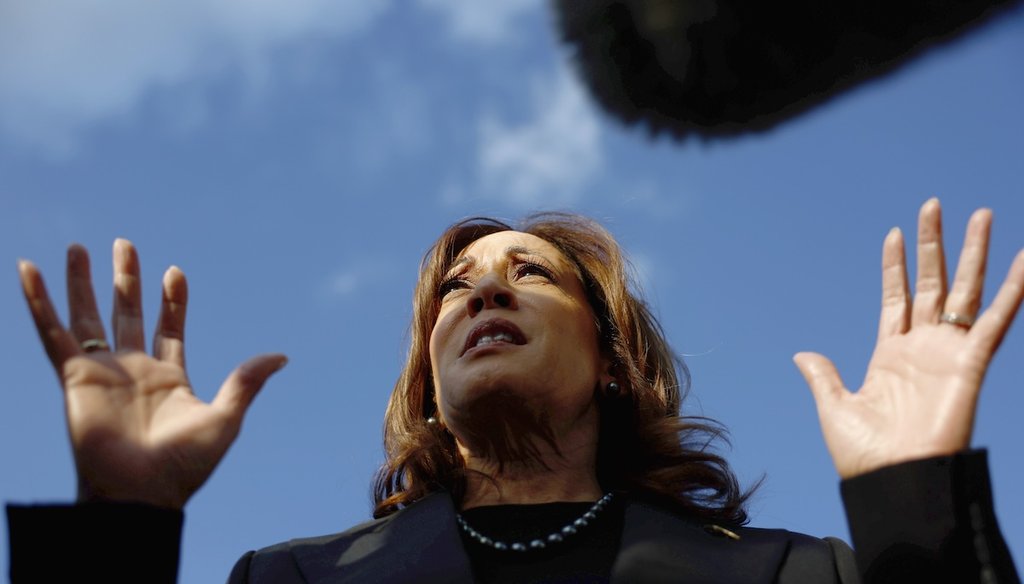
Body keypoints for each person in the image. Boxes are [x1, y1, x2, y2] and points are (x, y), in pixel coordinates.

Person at [6, 199, 1022, 583]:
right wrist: (121, 522)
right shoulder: (291, 580)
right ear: (429, 383)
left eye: (529, 271)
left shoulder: (798, 573)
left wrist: (915, 492)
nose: (484, 285)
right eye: (455, 286)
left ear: (614, 357)